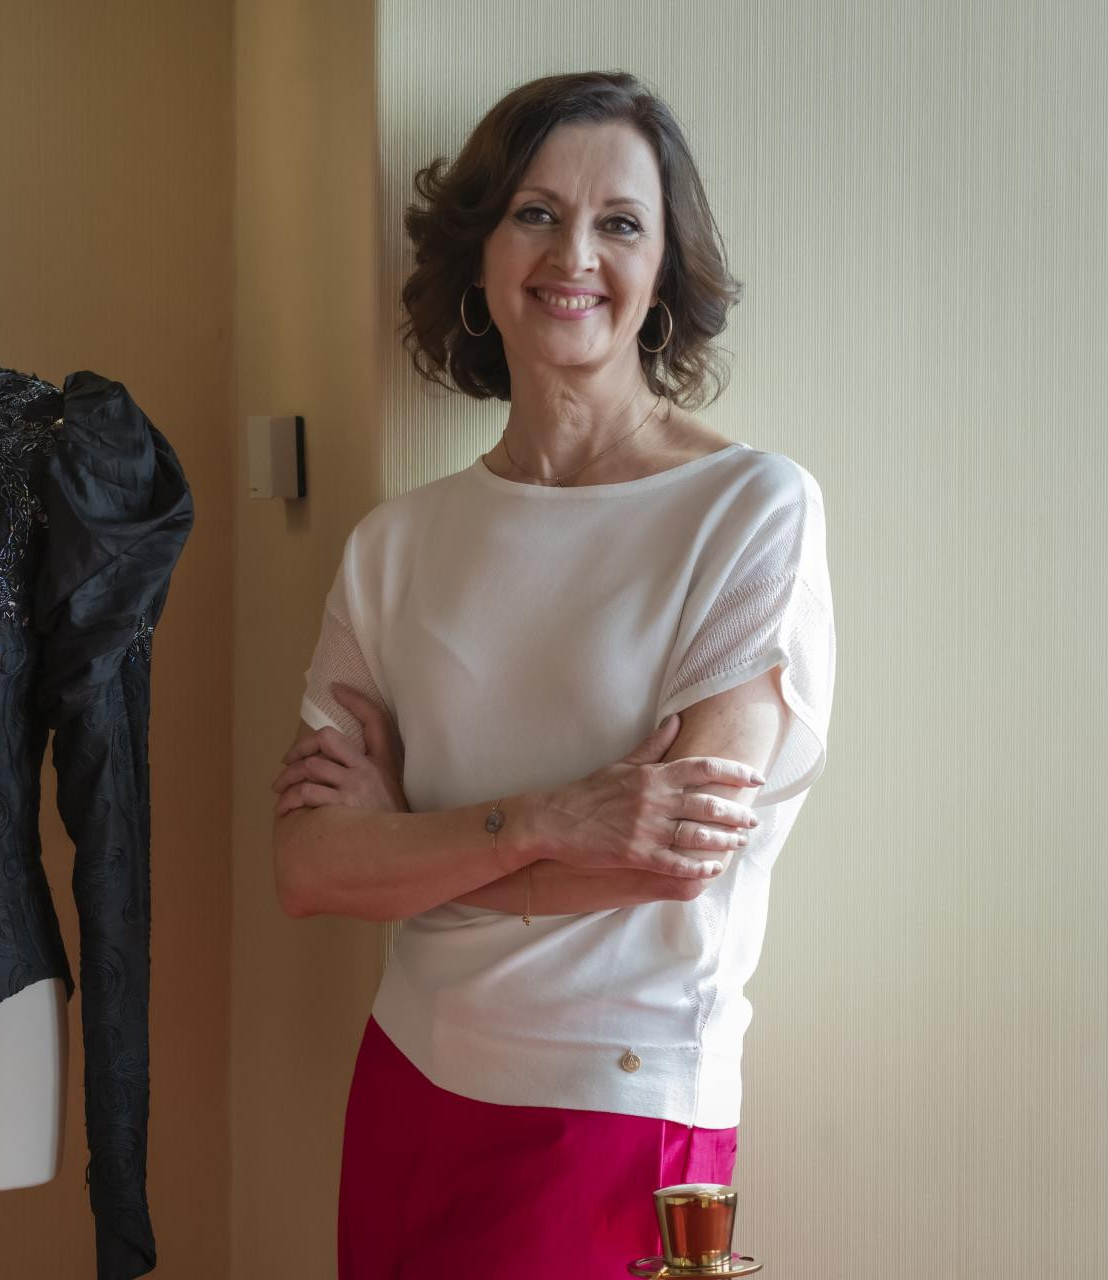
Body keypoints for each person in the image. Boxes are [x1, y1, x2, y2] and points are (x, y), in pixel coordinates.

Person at [269, 71, 836, 1278]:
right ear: (479, 251)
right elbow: (311, 867)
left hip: (616, 1104)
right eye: (536, 212)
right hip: (407, 1082)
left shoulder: (749, 509)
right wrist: (545, 819)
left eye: (620, 222)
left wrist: (410, 849)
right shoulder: (396, 544)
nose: (574, 254)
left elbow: (669, 854)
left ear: (663, 271)